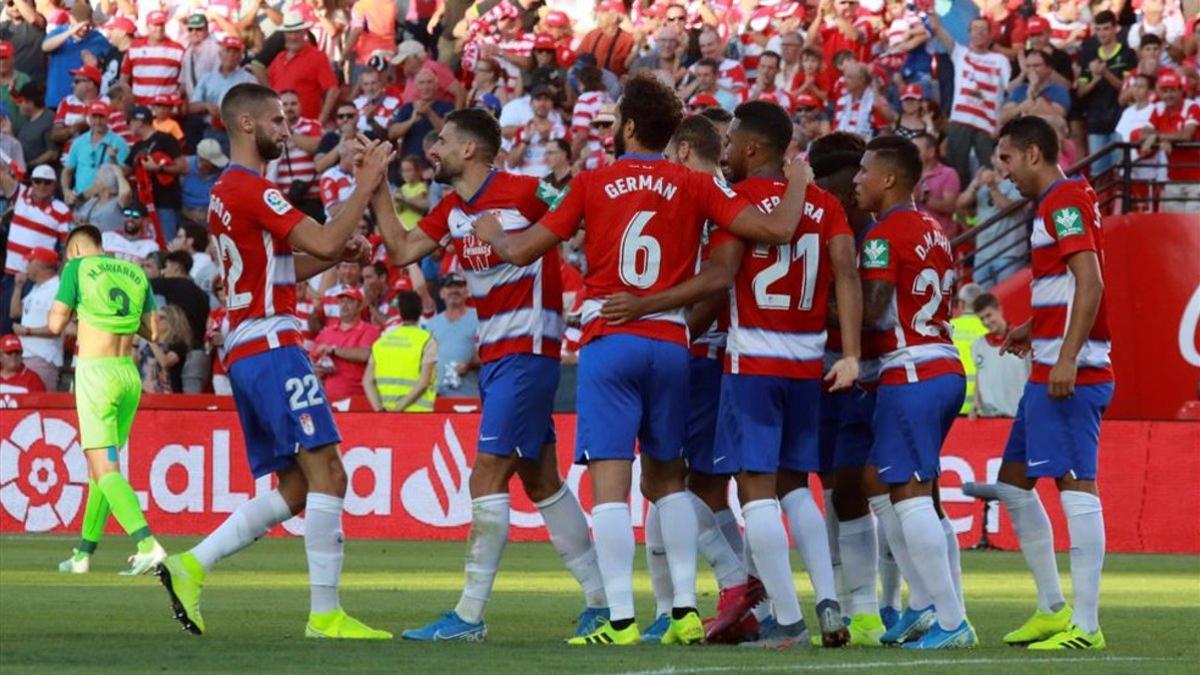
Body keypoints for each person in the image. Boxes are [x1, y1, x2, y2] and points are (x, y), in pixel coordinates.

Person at [473, 74, 813, 646]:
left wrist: (492, 232)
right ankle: (682, 609)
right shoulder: (694, 184)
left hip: (611, 341)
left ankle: (622, 621)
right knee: (668, 480)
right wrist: (797, 182)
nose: (608, 129)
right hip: (671, 345)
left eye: (612, 121)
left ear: (629, 126)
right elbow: (778, 230)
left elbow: (520, 249)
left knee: (611, 483)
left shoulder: (592, 182)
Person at [155, 82, 394, 640]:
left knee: (299, 485)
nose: (287, 131)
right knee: (329, 470)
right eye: (280, 120)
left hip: (249, 346)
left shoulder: (226, 191)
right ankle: (325, 615)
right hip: (271, 344)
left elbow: (284, 268)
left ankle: (192, 564)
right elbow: (328, 242)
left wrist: (335, 246)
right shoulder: (252, 188)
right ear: (246, 125)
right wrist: (363, 186)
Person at [371, 107, 609, 642]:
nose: (433, 151)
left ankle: (469, 616)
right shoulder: (453, 209)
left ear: (470, 150)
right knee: (540, 478)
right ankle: (602, 602)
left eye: (444, 143)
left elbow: (585, 214)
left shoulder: (528, 190)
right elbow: (404, 248)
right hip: (497, 357)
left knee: (485, 476)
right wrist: (376, 186)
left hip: (529, 349)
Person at [702, 101, 861, 648]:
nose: (725, 154)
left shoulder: (736, 201)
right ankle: (828, 601)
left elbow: (721, 274)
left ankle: (788, 621)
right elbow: (846, 274)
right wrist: (852, 353)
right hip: (808, 362)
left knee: (756, 490)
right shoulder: (823, 203)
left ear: (752, 148)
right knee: (798, 485)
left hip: (753, 362)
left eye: (730, 145)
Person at [983, 114, 1113, 651]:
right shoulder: (1063, 199)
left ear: (1033, 154)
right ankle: (1051, 609)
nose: (1003, 173)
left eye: (1007, 159)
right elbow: (1066, 286)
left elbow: (1092, 280)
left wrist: (1067, 357)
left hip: (1070, 375)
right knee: (1014, 483)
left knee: (1076, 487)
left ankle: (1087, 625)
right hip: (1045, 368)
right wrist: (1029, 328)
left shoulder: (1062, 202)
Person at [853, 134, 973, 649]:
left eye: (863, 172)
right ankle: (925, 606)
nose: (857, 180)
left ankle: (951, 620)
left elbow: (877, 307)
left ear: (888, 179)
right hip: (940, 363)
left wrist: (827, 307)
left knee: (910, 496)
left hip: (912, 370)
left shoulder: (881, 235)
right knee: (879, 481)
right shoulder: (934, 229)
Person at [46, 225, 166, 575]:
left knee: (105, 468)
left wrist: (76, 311)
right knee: (101, 469)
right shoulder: (134, 270)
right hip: (127, 376)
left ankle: (147, 544)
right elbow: (155, 331)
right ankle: (83, 554)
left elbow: (55, 324)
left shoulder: (76, 268)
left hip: (95, 375)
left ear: (76, 249)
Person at [930, 12, 1012, 188]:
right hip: (961, 119)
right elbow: (940, 32)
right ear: (969, 33)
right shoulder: (960, 53)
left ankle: (989, 208)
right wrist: (933, 18)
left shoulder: (1000, 60)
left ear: (990, 35)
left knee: (990, 167)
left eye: (983, 29)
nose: (979, 33)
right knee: (957, 168)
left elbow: (1009, 90)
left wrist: (1001, 122)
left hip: (988, 124)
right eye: (975, 29)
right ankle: (961, 210)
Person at [0, 163, 72, 336]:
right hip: (11, 273)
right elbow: (2, 175)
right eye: (37, 181)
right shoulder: (21, 195)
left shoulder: (62, 210)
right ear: (31, 182)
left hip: (33, 278)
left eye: (47, 182)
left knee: (13, 323)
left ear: (54, 185)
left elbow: (67, 248)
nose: (41, 186)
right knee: (5, 322)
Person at [1075, 11, 1136, 177]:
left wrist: (1106, 73)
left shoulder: (1127, 53)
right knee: (1098, 173)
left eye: (1106, 28)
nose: (1102, 33)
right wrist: (1095, 79)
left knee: (1119, 172)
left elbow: (1129, 89)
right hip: (1095, 120)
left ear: (1115, 29)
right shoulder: (1089, 54)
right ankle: (1100, 204)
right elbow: (1080, 91)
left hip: (1120, 120)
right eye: (1099, 29)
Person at [362, 290, 437, 412]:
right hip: (418, 414)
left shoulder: (381, 342)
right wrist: (398, 409)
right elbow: (424, 382)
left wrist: (380, 410)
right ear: (421, 312)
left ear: (399, 313)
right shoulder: (427, 340)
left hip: (387, 416)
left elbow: (367, 381)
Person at [1140, 70, 1200, 213]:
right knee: (1175, 227)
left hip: (1197, 180)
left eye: (1172, 90)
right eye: (1165, 91)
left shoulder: (1192, 106)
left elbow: (1186, 135)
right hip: (1173, 179)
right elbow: (1143, 134)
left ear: (1181, 90)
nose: (1168, 95)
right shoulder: (1159, 108)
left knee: (1194, 226)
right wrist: (1163, 139)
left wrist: (1158, 137)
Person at [267, 12, 338, 125]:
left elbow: (333, 89)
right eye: (290, 32)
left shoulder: (317, 57)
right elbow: (270, 88)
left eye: (297, 32)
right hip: (282, 125)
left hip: (307, 125)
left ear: (304, 32)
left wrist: (322, 120)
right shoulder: (279, 58)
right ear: (285, 34)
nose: (293, 37)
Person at [127, 105, 185, 242]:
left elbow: (183, 167)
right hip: (144, 204)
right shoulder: (137, 146)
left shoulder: (165, 139)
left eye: (129, 122)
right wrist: (112, 161)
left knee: (166, 243)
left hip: (165, 202)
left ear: (139, 121)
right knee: (148, 243)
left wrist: (158, 168)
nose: (128, 126)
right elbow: (125, 168)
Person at [8, 246, 62, 391]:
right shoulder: (36, 287)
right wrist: (18, 287)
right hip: (25, 357)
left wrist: (27, 331)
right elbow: (15, 313)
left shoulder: (57, 288)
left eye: (30, 261)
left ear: (40, 265)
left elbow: (57, 327)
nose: (26, 265)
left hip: (43, 358)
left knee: (41, 405)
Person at [312, 287, 380, 400]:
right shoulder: (327, 331)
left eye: (350, 301)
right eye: (342, 301)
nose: (344, 305)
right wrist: (317, 369)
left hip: (357, 399)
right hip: (328, 399)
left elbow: (365, 355)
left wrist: (333, 350)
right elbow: (311, 359)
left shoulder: (369, 330)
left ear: (360, 306)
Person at [968, 293, 1029, 419]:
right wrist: (975, 402)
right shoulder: (977, 345)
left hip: (1018, 416)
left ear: (999, 310)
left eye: (989, 315)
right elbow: (979, 377)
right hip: (989, 418)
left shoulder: (1023, 342)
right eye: (982, 319)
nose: (986, 322)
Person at [62, 100, 130, 206]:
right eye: (94, 117)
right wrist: (66, 191)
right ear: (89, 118)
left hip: (107, 202)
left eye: (101, 117)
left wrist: (113, 160)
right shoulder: (79, 142)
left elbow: (126, 173)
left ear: (107, 117)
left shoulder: (119, 142)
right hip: (81, 200)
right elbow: (68, 171)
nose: (97, 122)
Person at [423, 273, 479, 396]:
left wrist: (469, 364)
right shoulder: (432, 324)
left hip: (470, 395)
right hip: (438, 395)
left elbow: (489, 353)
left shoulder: (479, 319)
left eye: (459, 287)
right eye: (450, 287)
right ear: (442, 293)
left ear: (466, 291)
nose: (454, 290)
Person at [119, 10, 184, 106]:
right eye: (155, 25)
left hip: (165, 109)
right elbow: (124, 79)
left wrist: (178, 95)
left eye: (161, 25)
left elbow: (185, 80)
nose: (159, 28)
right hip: (140, 107)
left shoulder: (178, 49)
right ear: (147, 26)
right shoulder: (135, 47)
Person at [913, 133, 962, 237]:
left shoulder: (948, 174)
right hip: (914, 237)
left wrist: (923, 197)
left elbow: (950, 207)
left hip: (939, 238)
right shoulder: (908, 173)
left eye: (916, 150)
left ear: (931, 152)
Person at [139, 303, 191, 394]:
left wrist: (151, 340)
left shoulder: (178, 344)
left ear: (172, 322)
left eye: (161, 317)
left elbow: (165, 362)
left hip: (168, 394)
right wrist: (133, 345)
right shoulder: (150, 345)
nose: (156, 320)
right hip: (146, 393)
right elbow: (137, 363)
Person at [577, 0, 634, 77]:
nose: (598, 15)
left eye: (603, 12)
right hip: (589, 81)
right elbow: (578, 58)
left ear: (614, 17)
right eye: (598, 12)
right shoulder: (592, 34)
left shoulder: (628, 40)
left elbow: (629, 66)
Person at [180, 140, 228, 225]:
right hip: (186, 215)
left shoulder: (223, 172)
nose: (215, 166)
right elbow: (174, 199)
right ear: (201, 160)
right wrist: (189, 213)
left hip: (213, 215)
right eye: (211, 163)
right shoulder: (184, 167)